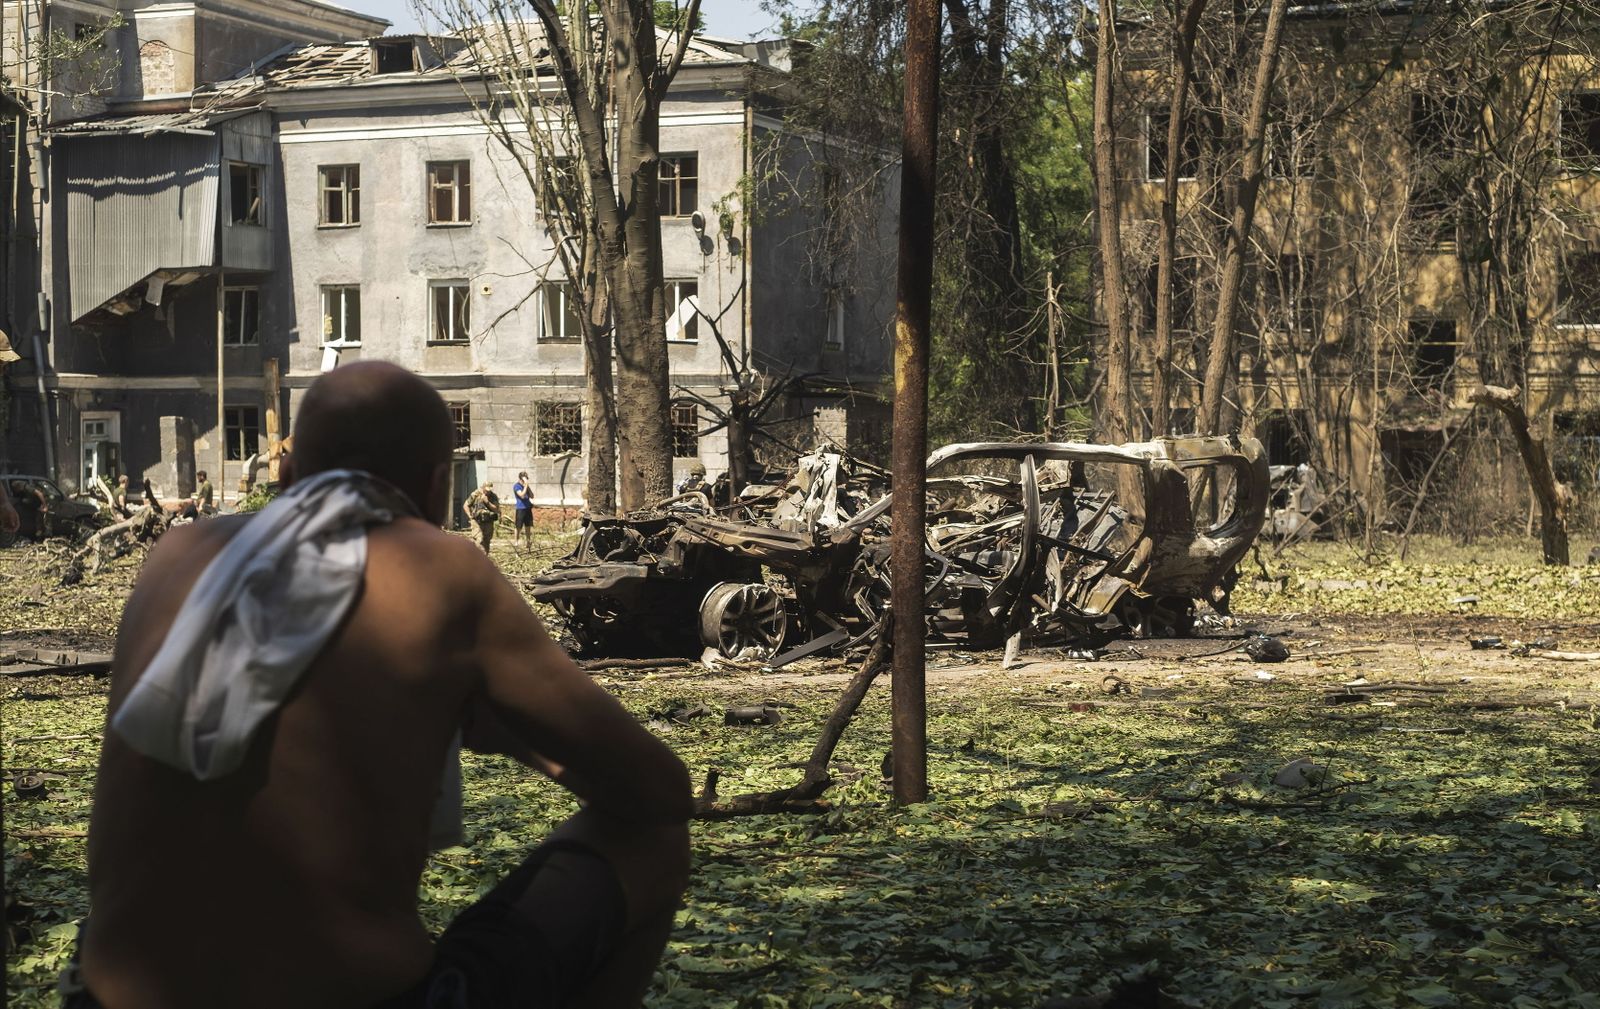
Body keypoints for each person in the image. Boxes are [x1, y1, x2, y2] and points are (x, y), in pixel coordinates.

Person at [69, 361, 691, 1009]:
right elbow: (659, 792)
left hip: (101, 996)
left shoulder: (176, 554)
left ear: (284, 475)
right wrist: (509, 737)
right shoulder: (445, 568)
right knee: (654, 844)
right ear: (437, 487)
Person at [462, 480, 500, 554]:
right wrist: (470, 516)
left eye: (489, 490)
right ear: (483, 488)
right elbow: (465, 505)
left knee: (487, 541)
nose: (488, 492)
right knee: (479, 539)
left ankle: (484, 558)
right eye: (486, 490)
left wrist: (487, 502)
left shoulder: (493, 496)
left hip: (488, 522)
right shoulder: (475, 494)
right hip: (477, 522)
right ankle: (477, 559)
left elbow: (496, 509)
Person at [511, 471, 534, 549]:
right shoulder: (516, 486)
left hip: (527, 508)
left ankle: (528, 541)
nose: (526, 480)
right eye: (525, 478)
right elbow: (522, 495)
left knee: (528, 526)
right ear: (521, 479)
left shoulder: (526, 486)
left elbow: (532, 496)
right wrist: (525, 486)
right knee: (518, 527)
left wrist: (528, 486)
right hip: (520, 508)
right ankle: (516, 541)